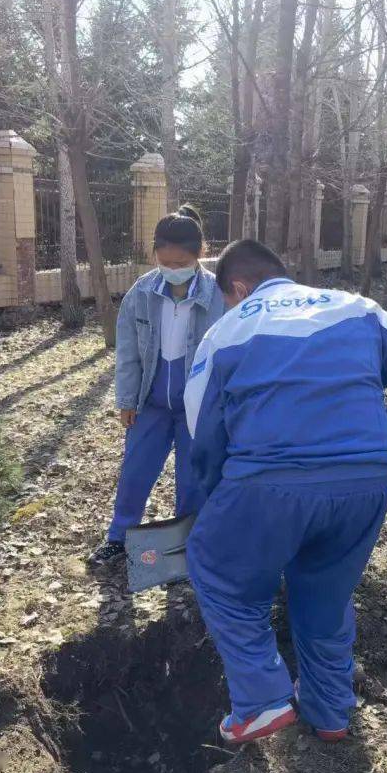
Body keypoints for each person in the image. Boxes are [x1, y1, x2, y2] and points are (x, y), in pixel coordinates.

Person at [183, 239, 387, 744]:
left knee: (218, 573)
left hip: (268, 484)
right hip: (363, 485)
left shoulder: (229, 329)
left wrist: (217, 496)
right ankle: (330, 711)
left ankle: (260, 700)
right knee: (326, 591)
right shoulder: (356, 308)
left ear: (237, 287)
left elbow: (203, 430)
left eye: (228, 297)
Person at [89, 206, 226, 566]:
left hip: (198, 405)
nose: (172, 269)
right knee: (136, 470)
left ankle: (187, 544)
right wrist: (127, 399)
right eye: (164, 261)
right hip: (151, 399)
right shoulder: (143, 291)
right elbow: (129, 350)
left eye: (180, 262)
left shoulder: (218, 295)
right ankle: (118, 537)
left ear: (199, 254)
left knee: (193, 476)